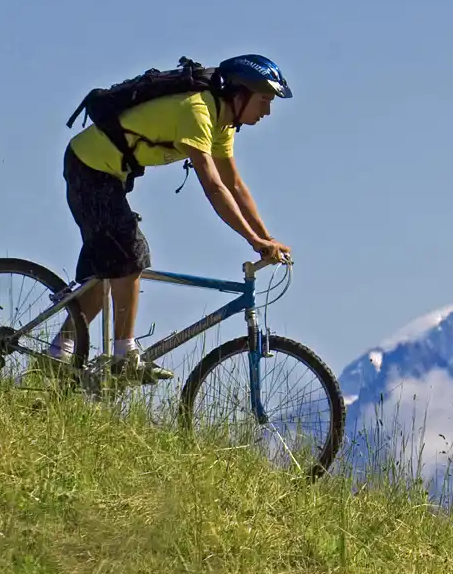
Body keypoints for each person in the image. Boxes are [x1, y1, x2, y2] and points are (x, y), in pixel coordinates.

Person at [52, 55, 293, 380]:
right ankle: (125, 356)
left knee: (103, 277)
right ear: (240, 94)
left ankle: (53, 360)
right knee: (131, 253)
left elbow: (234, 184)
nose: (267, 111)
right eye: (264, 100)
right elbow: (213, 186)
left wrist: (266, 237)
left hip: (107, 176)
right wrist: (253, 239)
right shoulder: (198, 112)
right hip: (90, 168)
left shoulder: (222, 123)